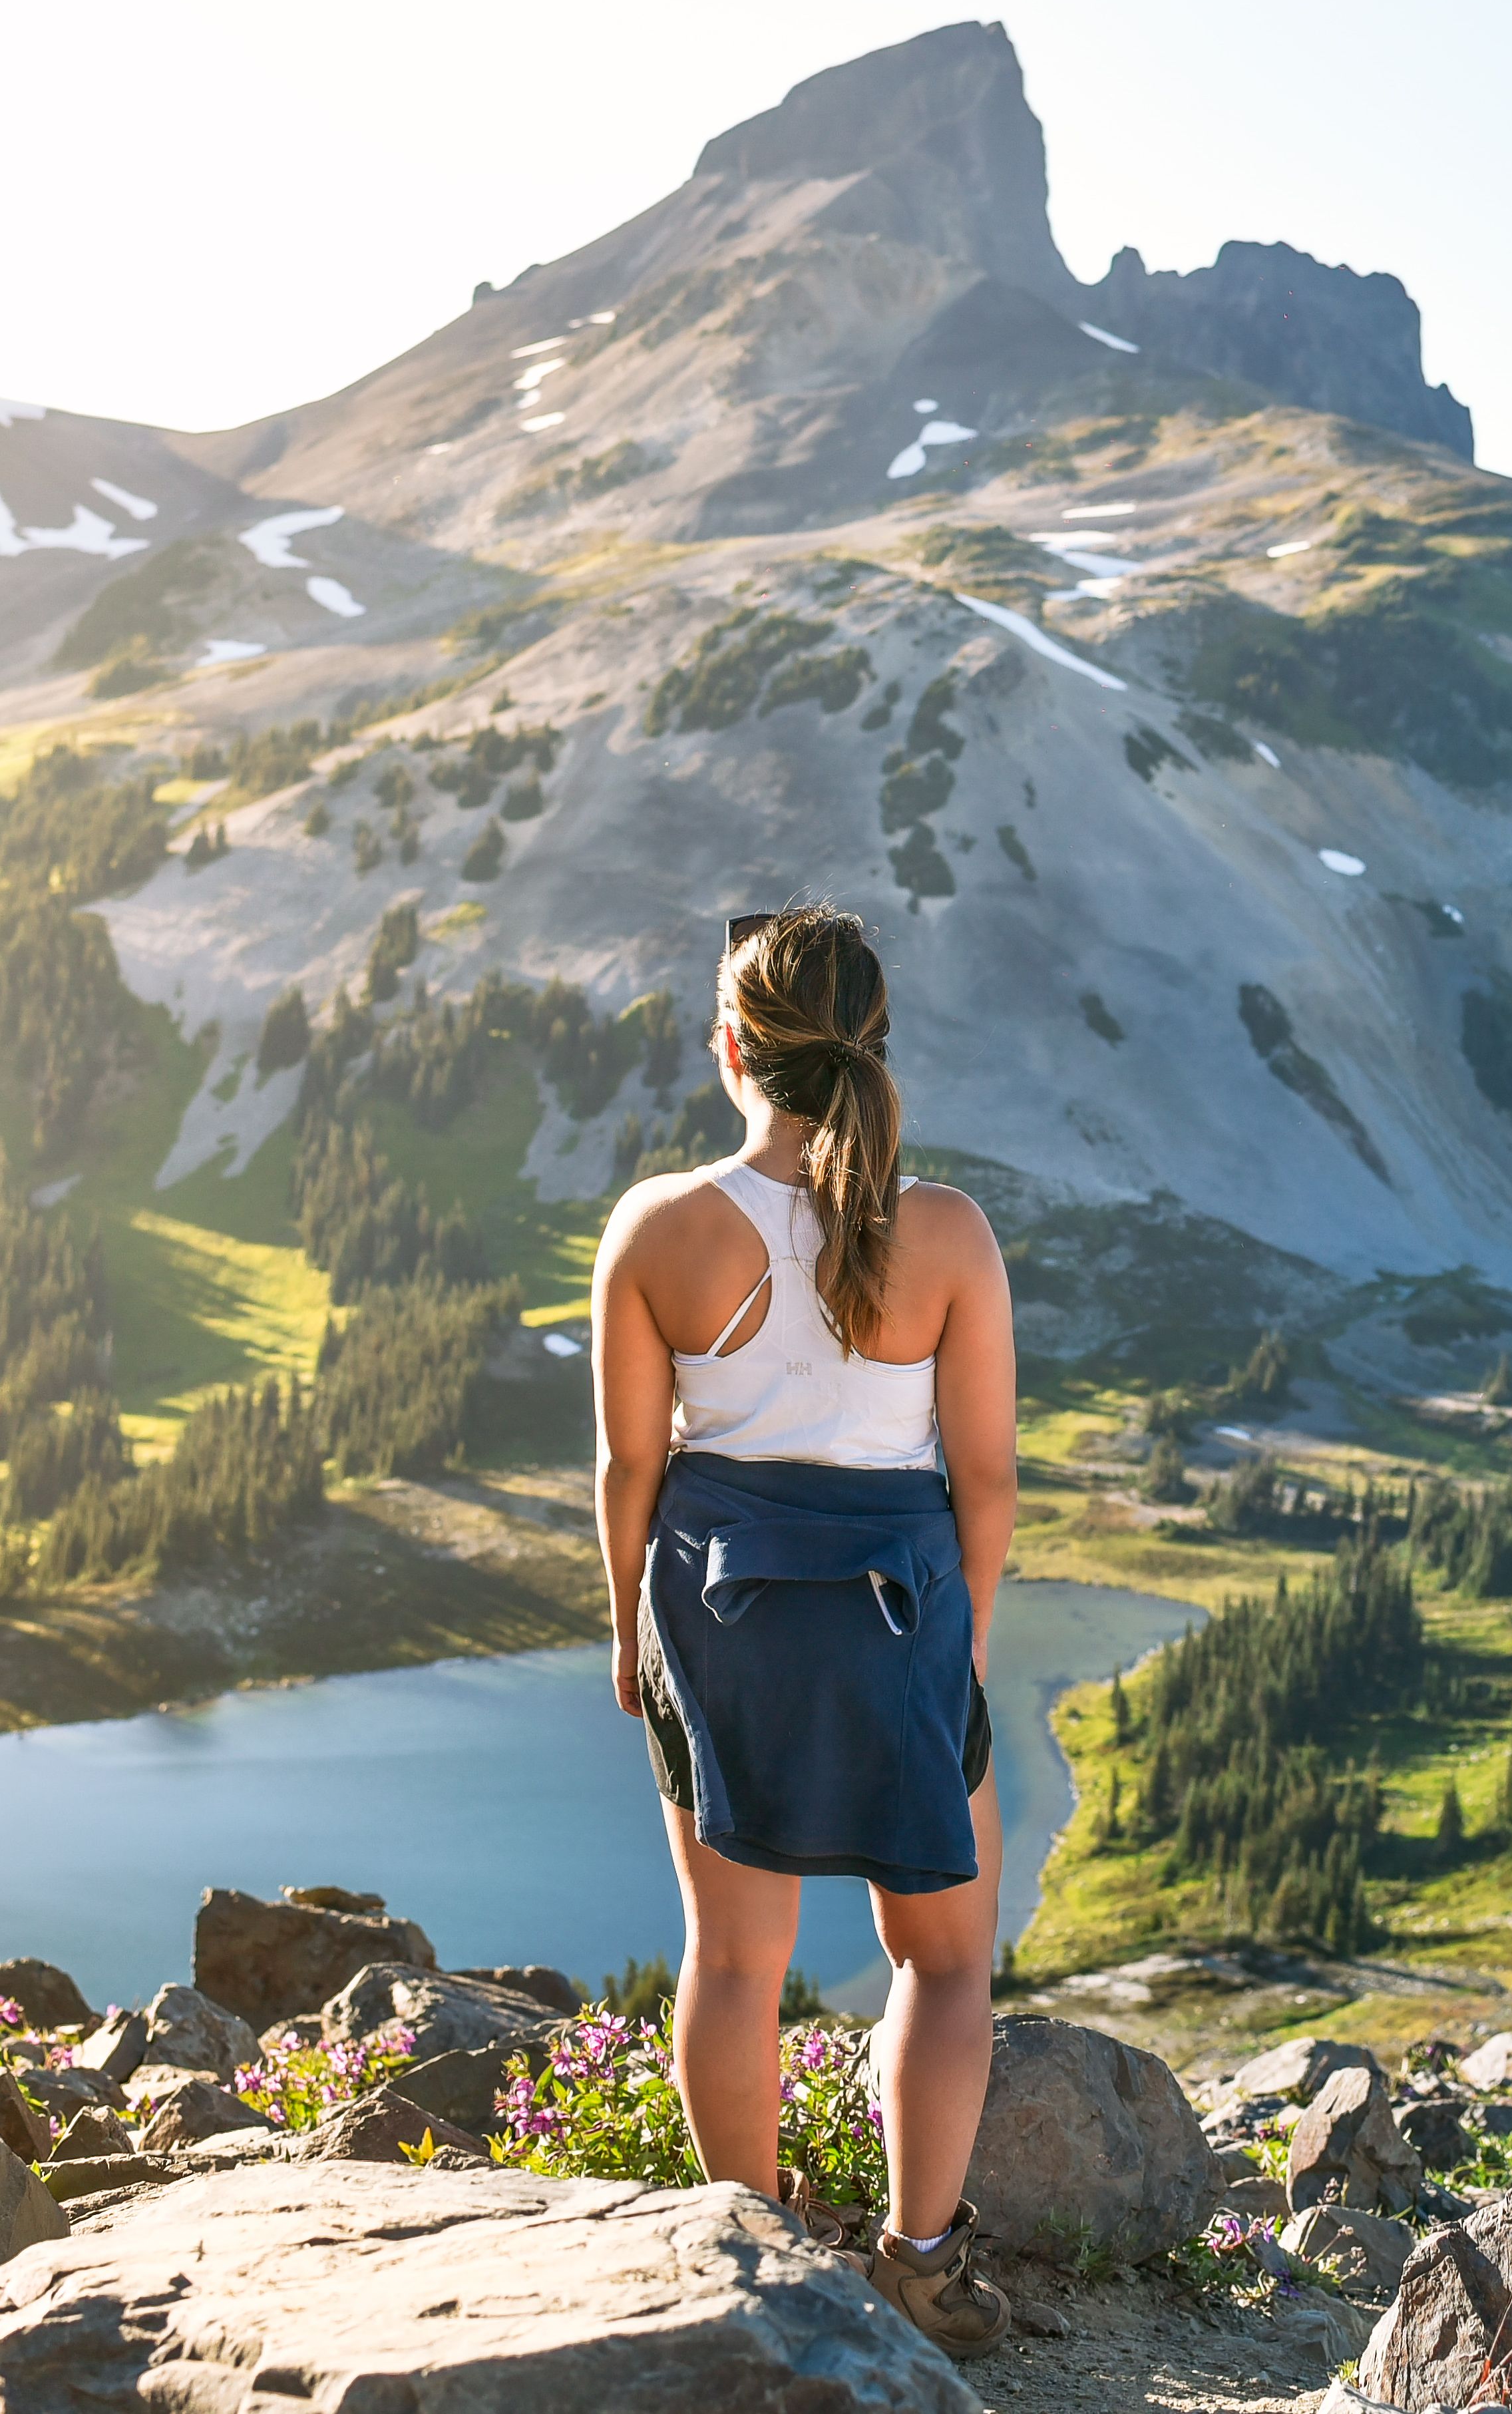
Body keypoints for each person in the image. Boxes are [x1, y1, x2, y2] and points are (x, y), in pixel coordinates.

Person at [588, 902, 1017, 2358]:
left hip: (715, 1616)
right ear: (877, 1044)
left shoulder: (656, 1228)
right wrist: (957, 1648)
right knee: (947, 1958)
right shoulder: (946, 1232)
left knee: (728, 1963)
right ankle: (920, 2263)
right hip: (901, 1613)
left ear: (729, 1048)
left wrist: (621, 1631)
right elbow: (988, 1475)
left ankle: (748, 2273)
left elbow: (630, 1470)